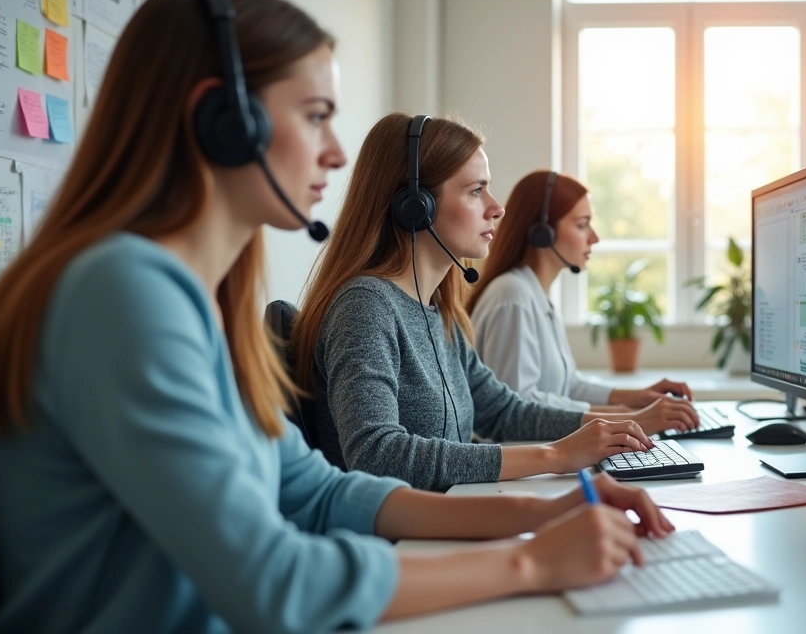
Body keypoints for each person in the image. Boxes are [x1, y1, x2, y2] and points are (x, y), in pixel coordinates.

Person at [0, 0, 672, 631]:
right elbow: (270, 581)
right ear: (225, 122)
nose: (338, 152)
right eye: (316, 115)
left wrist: (548, 510)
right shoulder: (122, 296)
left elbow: (318, 492)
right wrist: (531, 561)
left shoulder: (202, 302)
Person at [289, 113, 699, 492]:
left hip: (446, 519)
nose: (496, 208)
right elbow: (378, 455)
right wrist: (555, 456)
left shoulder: (438, 312)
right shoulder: (366, 307)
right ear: (415, 207)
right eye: (475, 191)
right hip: (400, 547)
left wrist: (614, 426)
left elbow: (503, 411)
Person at [468, 170, 698, 413]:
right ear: (542, 232)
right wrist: (630, 416)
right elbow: (516, 406)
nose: (595, 238)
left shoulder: (534, 294)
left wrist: (638, 397)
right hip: (519, 449)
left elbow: (568, 386)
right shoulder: (512, 296)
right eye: (582, 225)